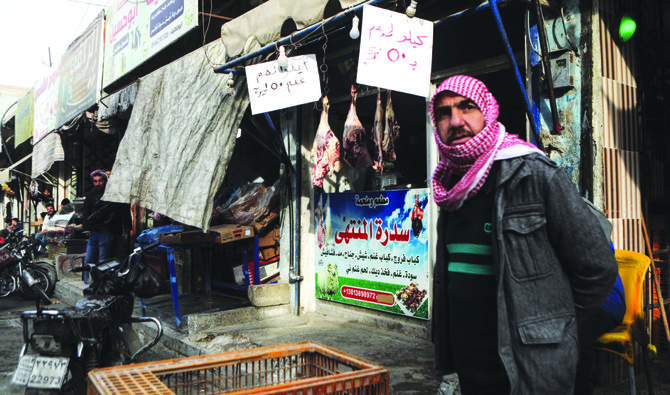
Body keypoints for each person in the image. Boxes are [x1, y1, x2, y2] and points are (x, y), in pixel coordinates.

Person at [430, 75, 618, 394]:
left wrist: (552, 326)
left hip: (530, 371)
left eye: (467, 107)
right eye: (444, 113)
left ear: (488, 112)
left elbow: (597, 269)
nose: (456, 121)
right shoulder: (451, 187)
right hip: (470, 369)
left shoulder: (534, 175)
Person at [82, 169, 131, 264]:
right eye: (95, 181)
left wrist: (126, 227)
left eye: (100, 180)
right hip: (95, 231)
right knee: (90, 260)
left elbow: (123, 211)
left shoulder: (112, 195)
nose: (98, 183)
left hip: (107, 230)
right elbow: (86, 211)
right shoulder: (91, 194)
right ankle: (95, 279)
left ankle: (103, 278)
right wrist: (86, 228)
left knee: (103, 259)